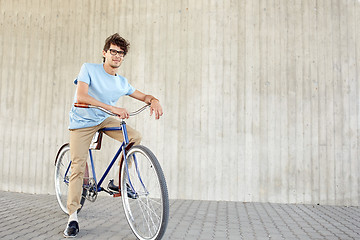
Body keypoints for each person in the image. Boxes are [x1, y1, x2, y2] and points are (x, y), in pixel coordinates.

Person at [63, 33, 163, 238]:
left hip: (104, 119)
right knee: (78, 166)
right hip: (82, 121)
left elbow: (143, 96)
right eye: (113, 51)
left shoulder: (122, 82)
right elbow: (81, 95)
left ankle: (120, 180)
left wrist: (154, 100)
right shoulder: (89, 68)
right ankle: (72, 216)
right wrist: (112, 108)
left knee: (134, 137)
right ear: (105, 53)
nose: (117, 56)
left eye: (121, 53)